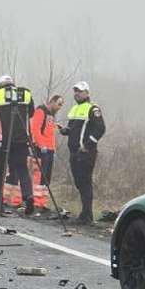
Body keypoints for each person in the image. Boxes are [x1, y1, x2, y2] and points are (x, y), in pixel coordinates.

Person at [0, 75, 35, 215]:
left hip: (3, 140)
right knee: (22, 169)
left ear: (0, 85)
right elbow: (31, 113)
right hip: (21, 139)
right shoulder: (25, 94)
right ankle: (28, 195)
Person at [62, 81, 105, 224]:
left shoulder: (93, 108)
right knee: (79, 183)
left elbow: (100, 128)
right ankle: (84, 213)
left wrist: (88, 144)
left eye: (80, 91)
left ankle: (87, 215)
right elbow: (73, 128)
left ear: (87, 93)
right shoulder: (74, 108)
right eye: (75, 91)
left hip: (86, 153)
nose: (77, 94)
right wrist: (65, 131)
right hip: (74, 152)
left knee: (85, 182)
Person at [29, 94, 64, 212]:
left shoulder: (51, 115)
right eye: (59, 104)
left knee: (46, 178)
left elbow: (50, 133)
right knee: (39, 176)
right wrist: (41, 145)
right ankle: (36, 202)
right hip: (41, 149)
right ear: (52, 102)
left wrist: (53, 149)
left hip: (50, 150)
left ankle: (42, 202)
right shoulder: (41, 110)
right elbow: (35, 129)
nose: (59, 107)